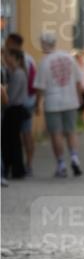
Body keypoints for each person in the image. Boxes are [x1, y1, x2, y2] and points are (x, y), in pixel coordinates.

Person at [34, 33, 83, 177]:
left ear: (44, 44)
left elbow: (40, 88)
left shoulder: (44, 62)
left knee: (56, 133)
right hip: (71, 99)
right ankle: (74, 157)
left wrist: (38, 104)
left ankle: (61, 164)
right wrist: (79, 97)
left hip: (52, 102)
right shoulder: (69, 57)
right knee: (71, 131)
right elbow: (78, 81)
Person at [4, 32, 37, 175]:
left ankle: (20, 167)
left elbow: (12, 94)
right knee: (22, 136)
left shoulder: (18, 70)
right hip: (25, 102)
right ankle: (26, 165)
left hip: (19, 105)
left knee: (17, 138)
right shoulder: (28, 61)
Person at [1, 47, 29, 179]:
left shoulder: (18, 74)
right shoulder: (15, 72)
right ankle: (15, 168)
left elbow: (11, 97)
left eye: (9, 56)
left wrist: (4, 98)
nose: (6, 59)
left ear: (15, 58)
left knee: (12, 141)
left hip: (14, 110)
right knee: (12, 141)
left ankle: (16, 169)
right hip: (14, 109)